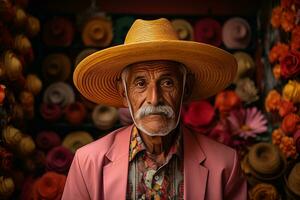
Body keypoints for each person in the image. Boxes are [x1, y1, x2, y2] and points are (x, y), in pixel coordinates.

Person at [62, 18, 247, 200]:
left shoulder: (224, 165)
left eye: (167, 83)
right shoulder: (87, 163)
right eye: (141, 83)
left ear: (186, 88)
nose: (154, 99)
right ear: (124, 93)